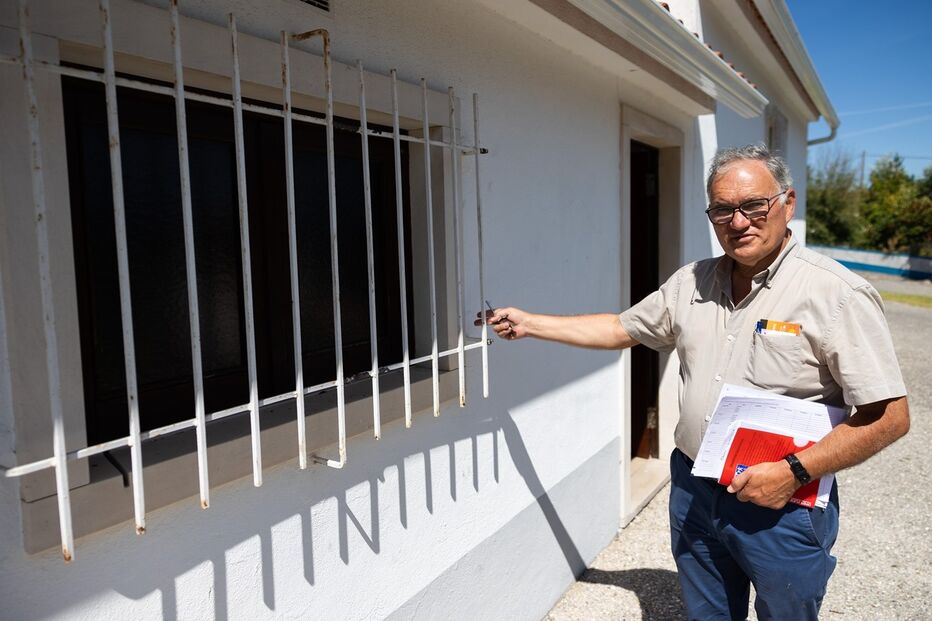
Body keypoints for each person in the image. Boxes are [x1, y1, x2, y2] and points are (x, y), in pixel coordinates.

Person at [477, 144, 910, 620]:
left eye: (753, 205)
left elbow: (889, 416)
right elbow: (622, 328)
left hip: (783, 503)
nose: (738, 221)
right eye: (722, 209)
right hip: (694, 487)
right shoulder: (692, 283)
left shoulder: (837, 295)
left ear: (788, 203)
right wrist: (531, 323)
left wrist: (792, 473)